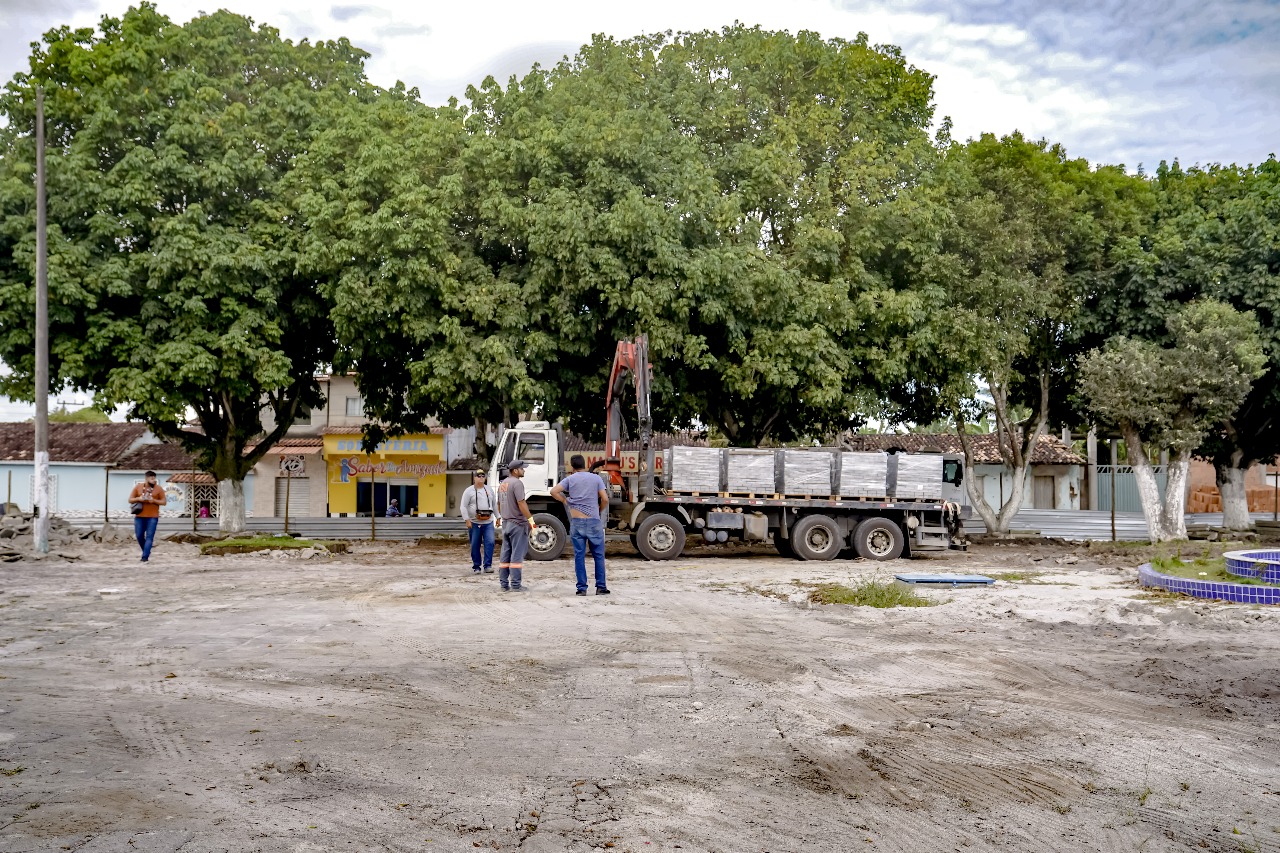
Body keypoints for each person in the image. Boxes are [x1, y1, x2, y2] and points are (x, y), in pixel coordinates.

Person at [552, 454, 611, 595]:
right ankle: (601, 587)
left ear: (572, 466)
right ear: (584, 464)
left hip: (577, 521)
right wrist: (599, 510)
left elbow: (553, 491)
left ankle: (582, 588)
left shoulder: (570, 479)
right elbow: (605, 499)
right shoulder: (596, 478)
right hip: (593, 521)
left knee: (579, 556)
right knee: (598, 555)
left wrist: (565, 501)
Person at [497, 459, 536, 591]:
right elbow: (521, 503)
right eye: (522, 468)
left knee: (505, 554)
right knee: (517, 555)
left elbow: (498, 504)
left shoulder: (503, 484)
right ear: (515, 470)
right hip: (517, 524)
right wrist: (530, 520)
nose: (524, 470)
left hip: (506, 523)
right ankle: (515, 585)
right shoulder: (517, 483)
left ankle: (503, 584)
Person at [461, 469, 498, 574]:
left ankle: (488, 565)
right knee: (475, 544)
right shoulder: (469, 491)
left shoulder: (489, 490)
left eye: (483, 476)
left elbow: (494, 504)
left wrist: (498, 517)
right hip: (474, 522)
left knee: (490, 542)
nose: (481, 478)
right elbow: (463, 506)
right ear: (474, 478)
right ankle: (476, 566)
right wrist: (467, 520)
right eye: (478, 476)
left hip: (488, 521)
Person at [127, 471, 167, 562]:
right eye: (151, 478)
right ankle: (147, 551)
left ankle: (145, 557)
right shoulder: (138, 487)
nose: (153, 480)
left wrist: (154, 501)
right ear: (146, 478)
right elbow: (130, 499)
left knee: (149, 537)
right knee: (139, 536)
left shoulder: (159, 488)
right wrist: (139, 499)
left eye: (154, 478)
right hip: (139, 516)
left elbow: (164, 502)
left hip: (153, 516)